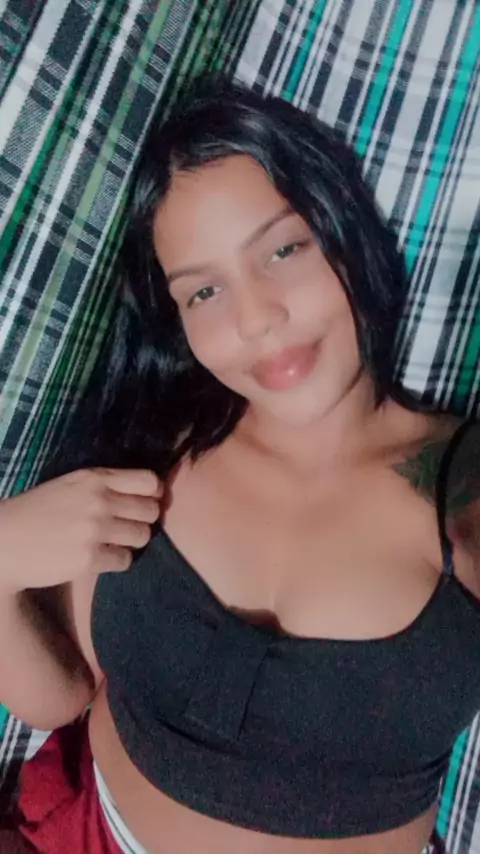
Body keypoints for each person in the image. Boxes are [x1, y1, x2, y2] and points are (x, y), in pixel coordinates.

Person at [0, 74, 478, 854]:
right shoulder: (153, 451)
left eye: (283, 250)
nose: (257, 320)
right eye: (204, 292)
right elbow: (60, 698)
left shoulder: (459, 481)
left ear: (345, 230)